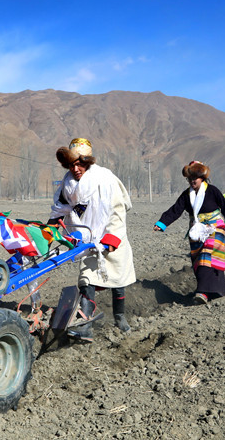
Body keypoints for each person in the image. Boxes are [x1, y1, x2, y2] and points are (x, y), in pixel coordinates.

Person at [49, 138, 136, 341]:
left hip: (112, 236)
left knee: (118, 279)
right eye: (71, 165)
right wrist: (49, 230)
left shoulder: (105, 179)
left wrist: (112, 237)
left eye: (79, 164)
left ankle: (120, 316)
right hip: (88, 238)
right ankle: (85, 324)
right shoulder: (67, 184)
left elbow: (118, 209)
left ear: (87, 163)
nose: (75, 169)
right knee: (86, 279)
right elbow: (60, 210)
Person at [153, 161, 225, 305]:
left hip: (214, 227)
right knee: (198, 260)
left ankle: (202, 292)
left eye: (195, 178)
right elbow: (176, 210)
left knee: (206, 255)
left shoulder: (212, 191)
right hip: (196, 230)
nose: (192, 181)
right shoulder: (186, 195)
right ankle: (217, 289)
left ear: (202, 178)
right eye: (189, 178)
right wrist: (162, 223)